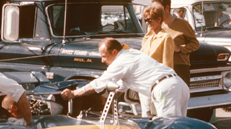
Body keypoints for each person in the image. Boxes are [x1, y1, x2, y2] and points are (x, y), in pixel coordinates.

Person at [61, 38, 189, 119]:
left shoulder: (120, 61)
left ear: (114, 52)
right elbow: (123, 85)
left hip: (164, 91)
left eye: (104, 56)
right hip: (179, 85)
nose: (102, 60)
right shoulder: (132, 54)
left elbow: (100, 82)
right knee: (180, 125)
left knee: (170, 127)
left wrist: (74, 93)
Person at [151, 0, 199, 86]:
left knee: (179, 98)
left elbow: (195, 44)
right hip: (161, 69)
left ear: (167, 8)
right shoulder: (156, 26)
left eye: (158, 9)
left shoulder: (183, 25)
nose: (155, 12)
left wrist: (179, 48)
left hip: (179, 68)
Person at [140, 5, 175, 117]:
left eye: (149, 20)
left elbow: (168, 65)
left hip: (158, 85)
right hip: (144, 83)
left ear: (159, 19)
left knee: (158, 116)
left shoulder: (166, 38)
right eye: (145, 20)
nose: (147, 23)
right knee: (146, 115)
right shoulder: (148, 38)